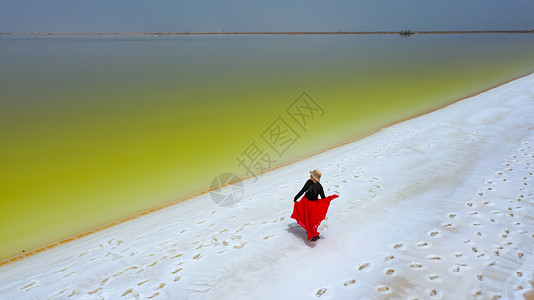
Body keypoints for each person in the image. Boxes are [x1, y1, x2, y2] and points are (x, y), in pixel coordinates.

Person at [291, 169, 338, 241]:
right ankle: (309, 231)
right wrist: (296, 197)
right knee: (304, 216)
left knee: (311, 220)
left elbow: (323, 198)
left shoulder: (319, 187)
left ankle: (314, 234)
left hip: (313, 204)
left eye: (312, 176)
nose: (310, 176)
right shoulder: (308, 182)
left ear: (315, 178)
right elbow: (302, 190)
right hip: (305, 202)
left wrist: (327, 201)